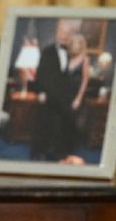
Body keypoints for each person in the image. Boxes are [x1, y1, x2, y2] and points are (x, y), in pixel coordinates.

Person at [29, 18, 81, 162]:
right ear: (57, 31)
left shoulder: (75, 53)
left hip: (65, 99)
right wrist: (40, 93)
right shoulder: (48, 51)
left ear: (72, 34)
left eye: (67, 32)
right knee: (44, 126)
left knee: (65, 127)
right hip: (50, 98)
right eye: (60, 31)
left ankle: (61, 155)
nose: (63, 35)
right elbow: (40, 76)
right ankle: (39, 154)